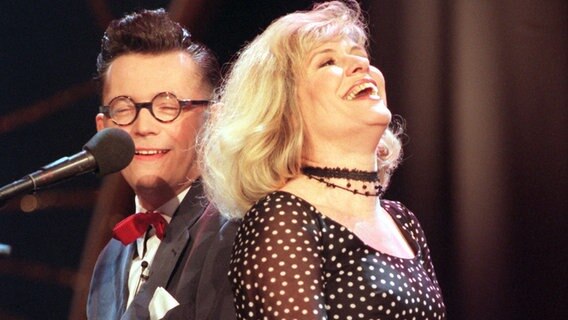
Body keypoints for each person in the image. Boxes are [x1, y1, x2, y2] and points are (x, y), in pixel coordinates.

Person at [201, 1, 446, 319]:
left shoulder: (403, 221)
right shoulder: (283, 219)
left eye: (361, 57)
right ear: (284, 106)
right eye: (328, 61)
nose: (361, 67)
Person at [87, 9, 238, 320]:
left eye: (166, 106)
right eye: (124, 108)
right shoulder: (107, 263)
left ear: (215, 120)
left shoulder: (236, 232)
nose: (143, 126)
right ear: (103, 129)